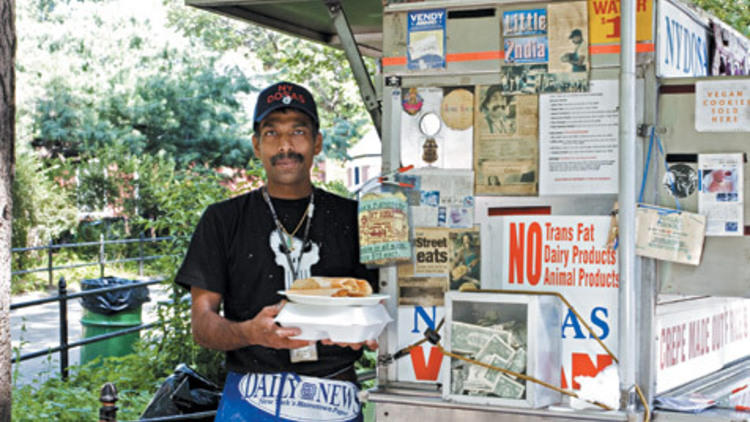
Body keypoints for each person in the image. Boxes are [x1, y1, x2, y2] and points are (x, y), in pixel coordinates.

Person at [175, 81, 377, 421]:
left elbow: (381, 310)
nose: (285, 145)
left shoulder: (354, 219)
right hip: (252, 399)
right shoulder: (223, 220)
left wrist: (367, 332)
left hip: (334, 399)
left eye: (298, 131)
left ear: (317, 142)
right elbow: (202, 324)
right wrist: (249, 332)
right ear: (256, 145)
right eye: (271, 133)